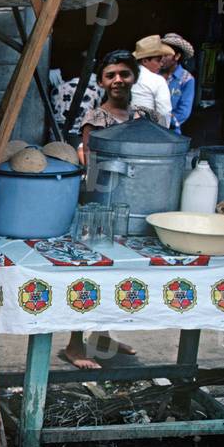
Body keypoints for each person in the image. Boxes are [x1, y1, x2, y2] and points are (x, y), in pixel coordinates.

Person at [68, 50, 162, 369]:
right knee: (90, 272)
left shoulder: (144, 118)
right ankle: (74, 344)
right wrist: (93, 205)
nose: (118, 80)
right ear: (101, 82)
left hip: (138, 207)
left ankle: (103, 336)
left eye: (124, 73)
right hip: (102, 207)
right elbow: (92, 166)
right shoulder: (96, 119)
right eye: (110, 76)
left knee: (120, 273)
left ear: (134, 77)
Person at [129, 35, 173, 125]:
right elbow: (164, 113)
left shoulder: (126, 76)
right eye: (158, 60)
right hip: (148, 131)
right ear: (145, 61)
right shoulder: (158, 81)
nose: (161, 64)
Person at [160, 33, 196, 134]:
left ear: (177, 56)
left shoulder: (187, 79)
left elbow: (183, 112)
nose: (161, 58)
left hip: (170, 133)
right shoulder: (154, 74)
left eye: (166, 55)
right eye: (160, 54)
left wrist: (161, 121)